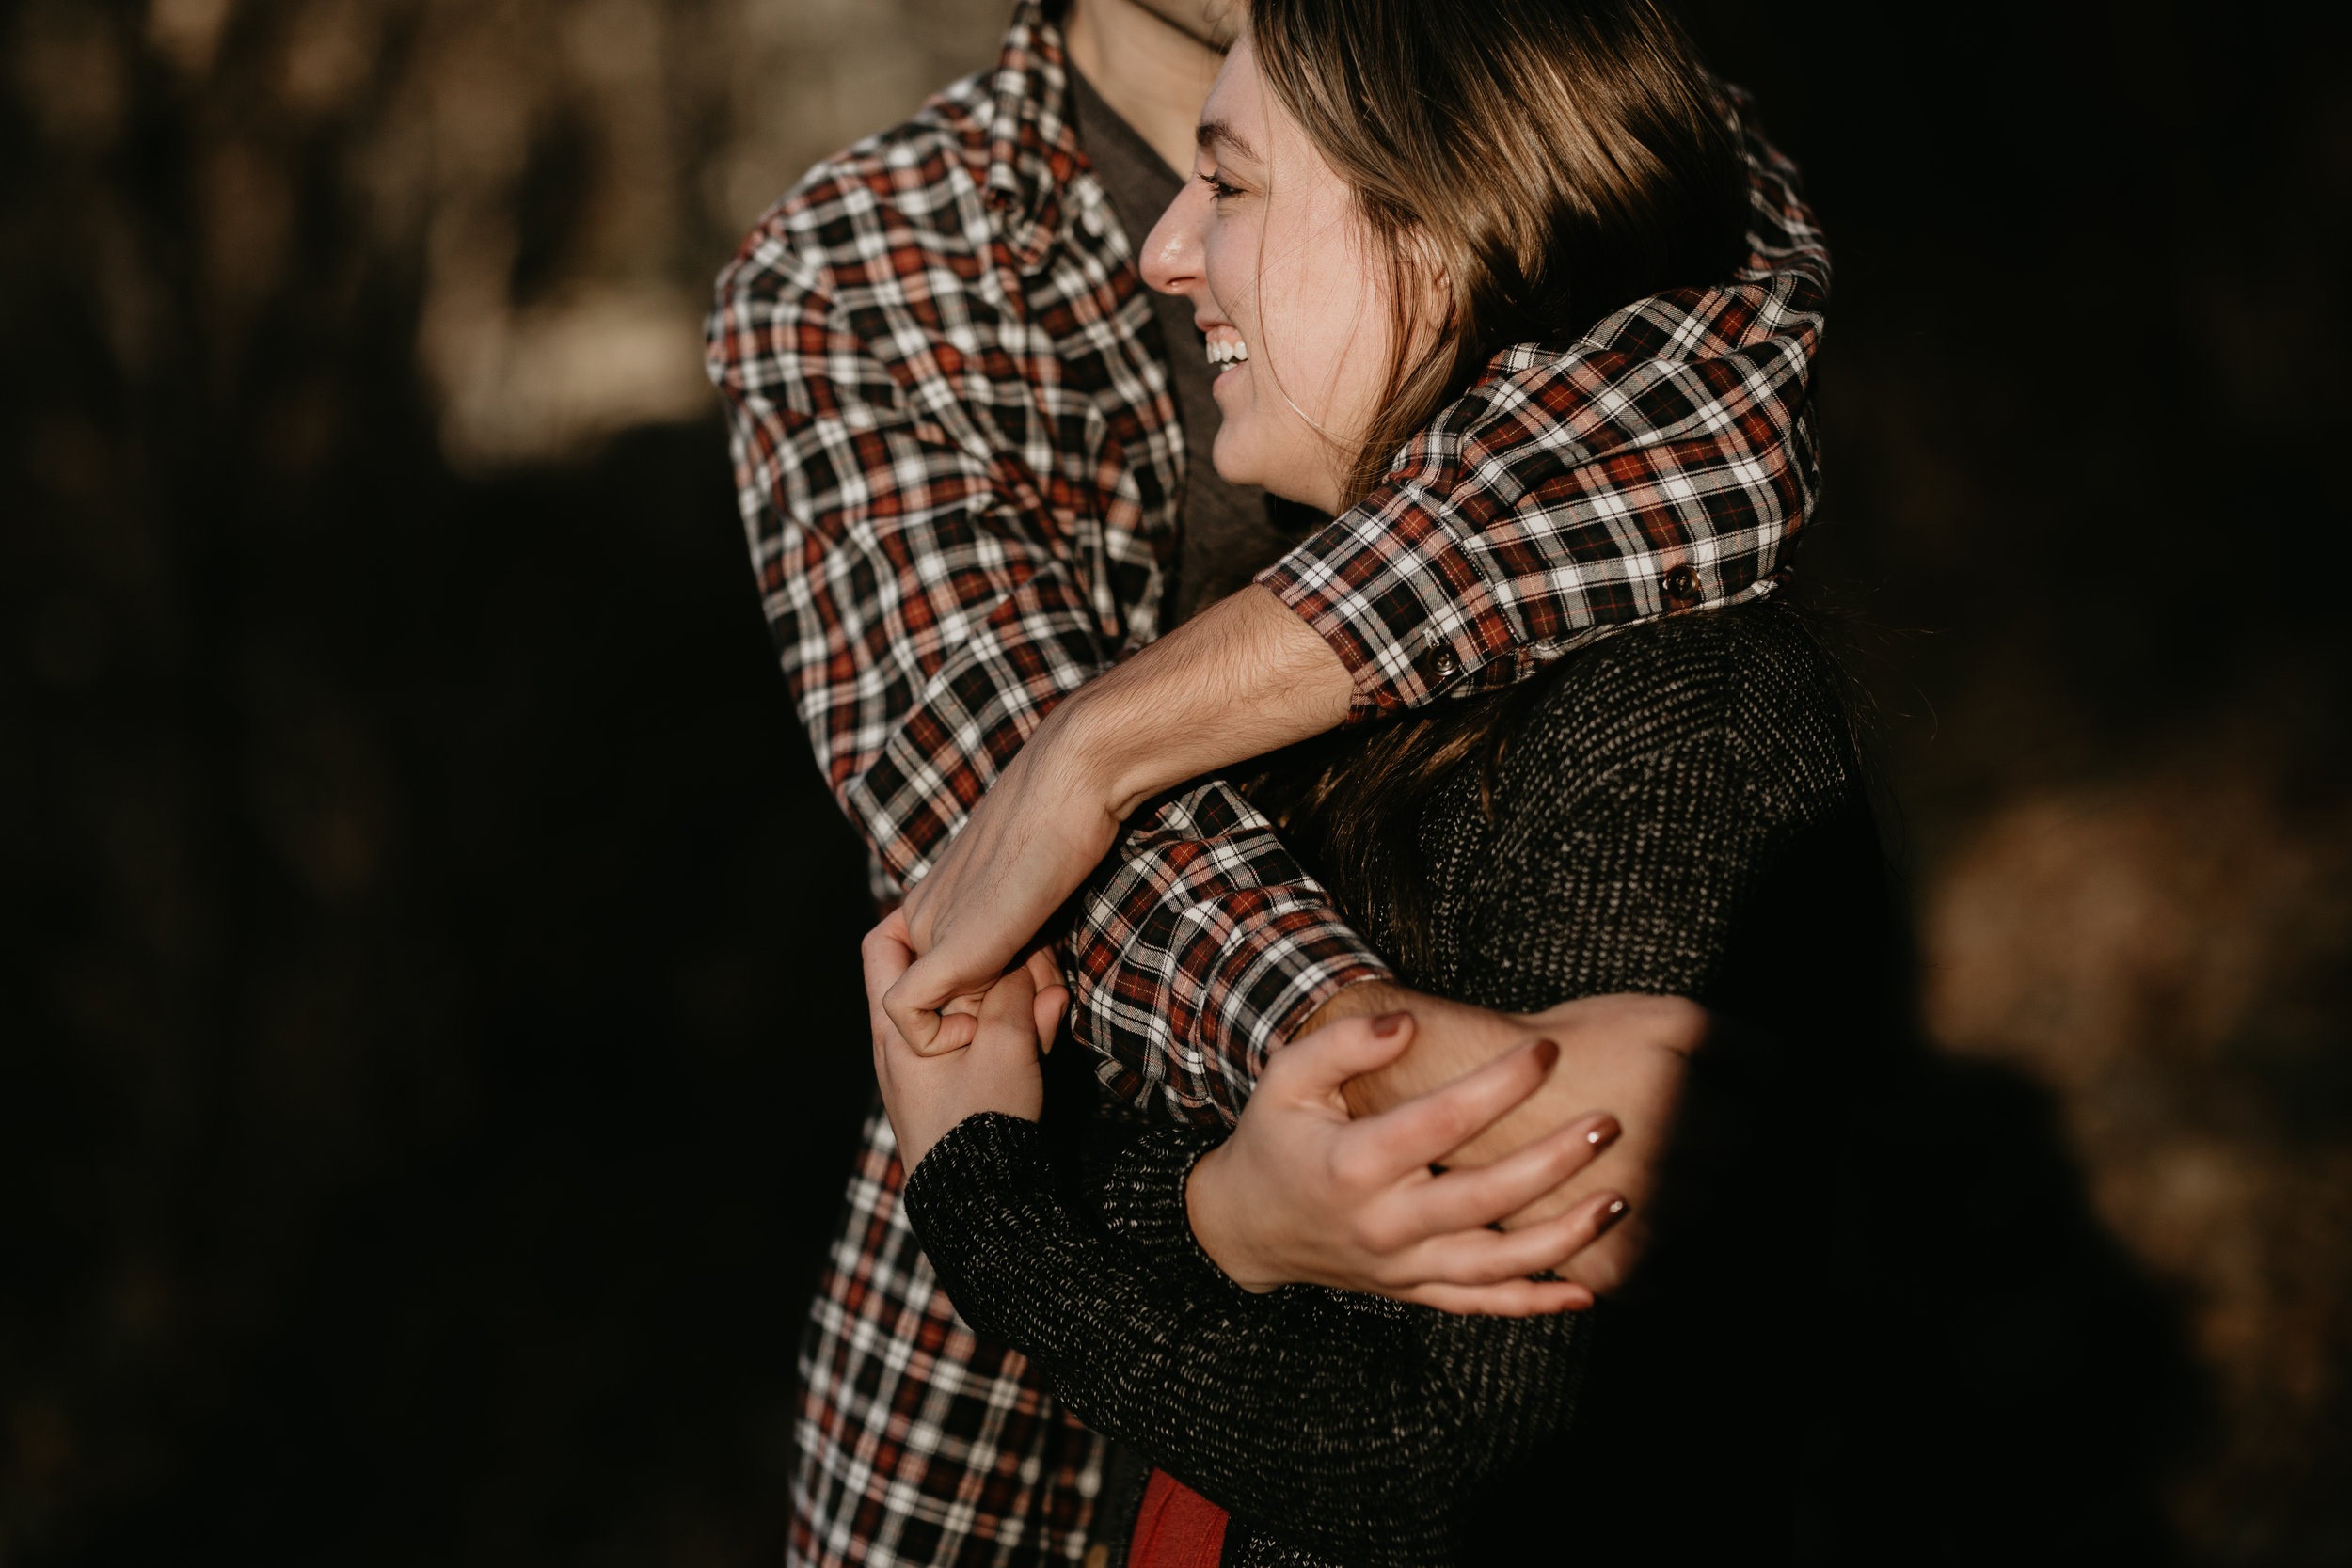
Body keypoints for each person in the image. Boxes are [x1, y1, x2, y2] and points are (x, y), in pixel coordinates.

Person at [704, 0, 1827, 1558]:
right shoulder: (867, 264)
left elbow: (1707, 439)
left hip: (1320, 1283)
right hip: (1035, 1322)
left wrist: (1106, 741)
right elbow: (999, 870)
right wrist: (1424, 1084)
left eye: (1233, 196)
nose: (1179, 248)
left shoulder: (1562, 61)